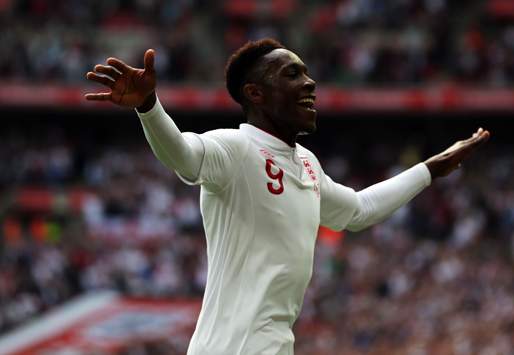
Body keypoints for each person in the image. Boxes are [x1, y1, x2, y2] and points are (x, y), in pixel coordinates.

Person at [85, 38, 490, 355]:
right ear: (256, 94)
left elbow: (358, 210)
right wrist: (150, 108)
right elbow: (184, 157)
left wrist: (431, 168)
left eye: (307, 74)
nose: (310, 83)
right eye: (292, 75)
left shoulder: (307, 164)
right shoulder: (235, 148)